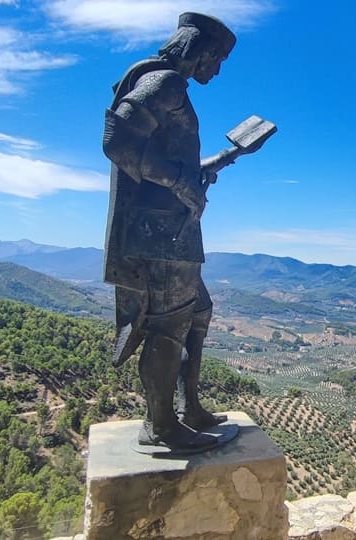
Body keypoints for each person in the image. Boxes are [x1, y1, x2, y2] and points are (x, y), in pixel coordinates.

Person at [101, 12, 237, 451]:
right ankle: (159, 425)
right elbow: (117, 137)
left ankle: (188, 407)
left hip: (174, 229)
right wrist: (180, 181)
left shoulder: (165, 84)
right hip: (160, 233)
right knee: (168, 324)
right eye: (215, 60)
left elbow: (164, 159)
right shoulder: (165, 83)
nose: (215, 71)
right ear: (198, 50)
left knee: (198, 312)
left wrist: (207, 166)